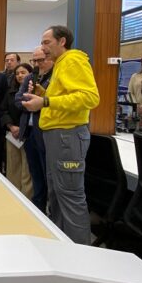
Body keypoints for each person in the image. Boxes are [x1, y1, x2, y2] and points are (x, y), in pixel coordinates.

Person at [22, 25, 99, 244]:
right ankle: (61, 245)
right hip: (57, 136)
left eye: (47, 42)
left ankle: (80, 254)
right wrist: (43, 94)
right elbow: (65, 97)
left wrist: (45, 101)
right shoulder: (61, 65)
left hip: (67, 136)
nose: (43, 48)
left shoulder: (73, 61)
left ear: (62, 41)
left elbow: (89, 98)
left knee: (69, 197)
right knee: (56, 194)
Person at [16, 46, 54, 213]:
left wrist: (37, 103)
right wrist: (32, 103)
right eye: (34, 61)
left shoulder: (55, 78)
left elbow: (54, 103)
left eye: (41, 60)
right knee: (36, 176)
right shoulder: (31, 77)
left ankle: (52, 213)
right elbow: (17, 100)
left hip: (46, 135)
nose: (38, 64)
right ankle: (38, 211)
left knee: (49, 178)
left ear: (51, 58)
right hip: (29, 133)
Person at [0, 63, 33, 195]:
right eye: (17, 73)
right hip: (12, 135)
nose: (20, 75)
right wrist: (11, 126)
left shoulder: (35, 91)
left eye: (23, 72)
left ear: (30, 74)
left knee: (27, 171)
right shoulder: (10, 91)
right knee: (13, 168)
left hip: (28, 135)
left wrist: (22, 128)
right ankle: (13, 196)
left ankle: (27, 199)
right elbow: (3, 110)